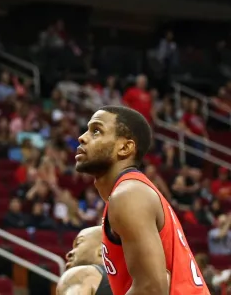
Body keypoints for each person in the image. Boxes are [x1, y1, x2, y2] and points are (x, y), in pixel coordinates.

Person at [74, 106, 206, 295]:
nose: (82, 137)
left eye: (96, 131)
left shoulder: (129, 194)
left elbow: (151, 288)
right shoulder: (130, 192)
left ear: (125, 147)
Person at [56, 226, 112, 295]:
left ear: (102, 249)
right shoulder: (126, 283)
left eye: (78, 243)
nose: (69, 254)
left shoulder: (82, 274)